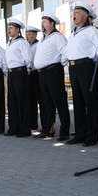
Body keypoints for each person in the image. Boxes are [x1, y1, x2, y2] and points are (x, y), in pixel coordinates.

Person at [66, 2, 98, 146]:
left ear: (84, 16)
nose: (74, 14)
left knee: (91, 101)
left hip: (86, 67)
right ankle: (80, 134)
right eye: (74, 12)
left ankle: (93, 135)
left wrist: (92, 61)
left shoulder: (91, 31)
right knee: (78, 102)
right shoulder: (73, 33)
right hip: (74, 68)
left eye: (77, 12)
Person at [33, 13, 70, 141]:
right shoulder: (43, 38)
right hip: (42, 73)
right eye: (41, 21)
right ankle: (48, 130)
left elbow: (65, 52)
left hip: (53, 72)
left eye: (44, 22)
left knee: (59, 102)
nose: (42, 24)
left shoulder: (57, 37)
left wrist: (60, 64)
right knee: (46, 103)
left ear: (52, 23)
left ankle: (64, 132)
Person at [5, 17, 32, 137]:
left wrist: (23, 70)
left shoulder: (22, 42)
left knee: (22, 101)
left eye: (11, 28)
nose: (9, 30)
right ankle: (13, 128)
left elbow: (28, 59)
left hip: (20, 72)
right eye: (8, 28)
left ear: (17, 29)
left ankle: (24, 129)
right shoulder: (9, 43)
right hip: (11, 73)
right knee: (12, 102)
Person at [25, 25, 42, 131]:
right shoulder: (26, 46)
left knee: (40, 99)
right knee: (30, 101)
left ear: (35, 35)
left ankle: (45, 125)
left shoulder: (38, 45)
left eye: (29, 34)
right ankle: (32, 124)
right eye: (26, 34)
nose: (27, 36)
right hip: (28, 74)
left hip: (36, 73)